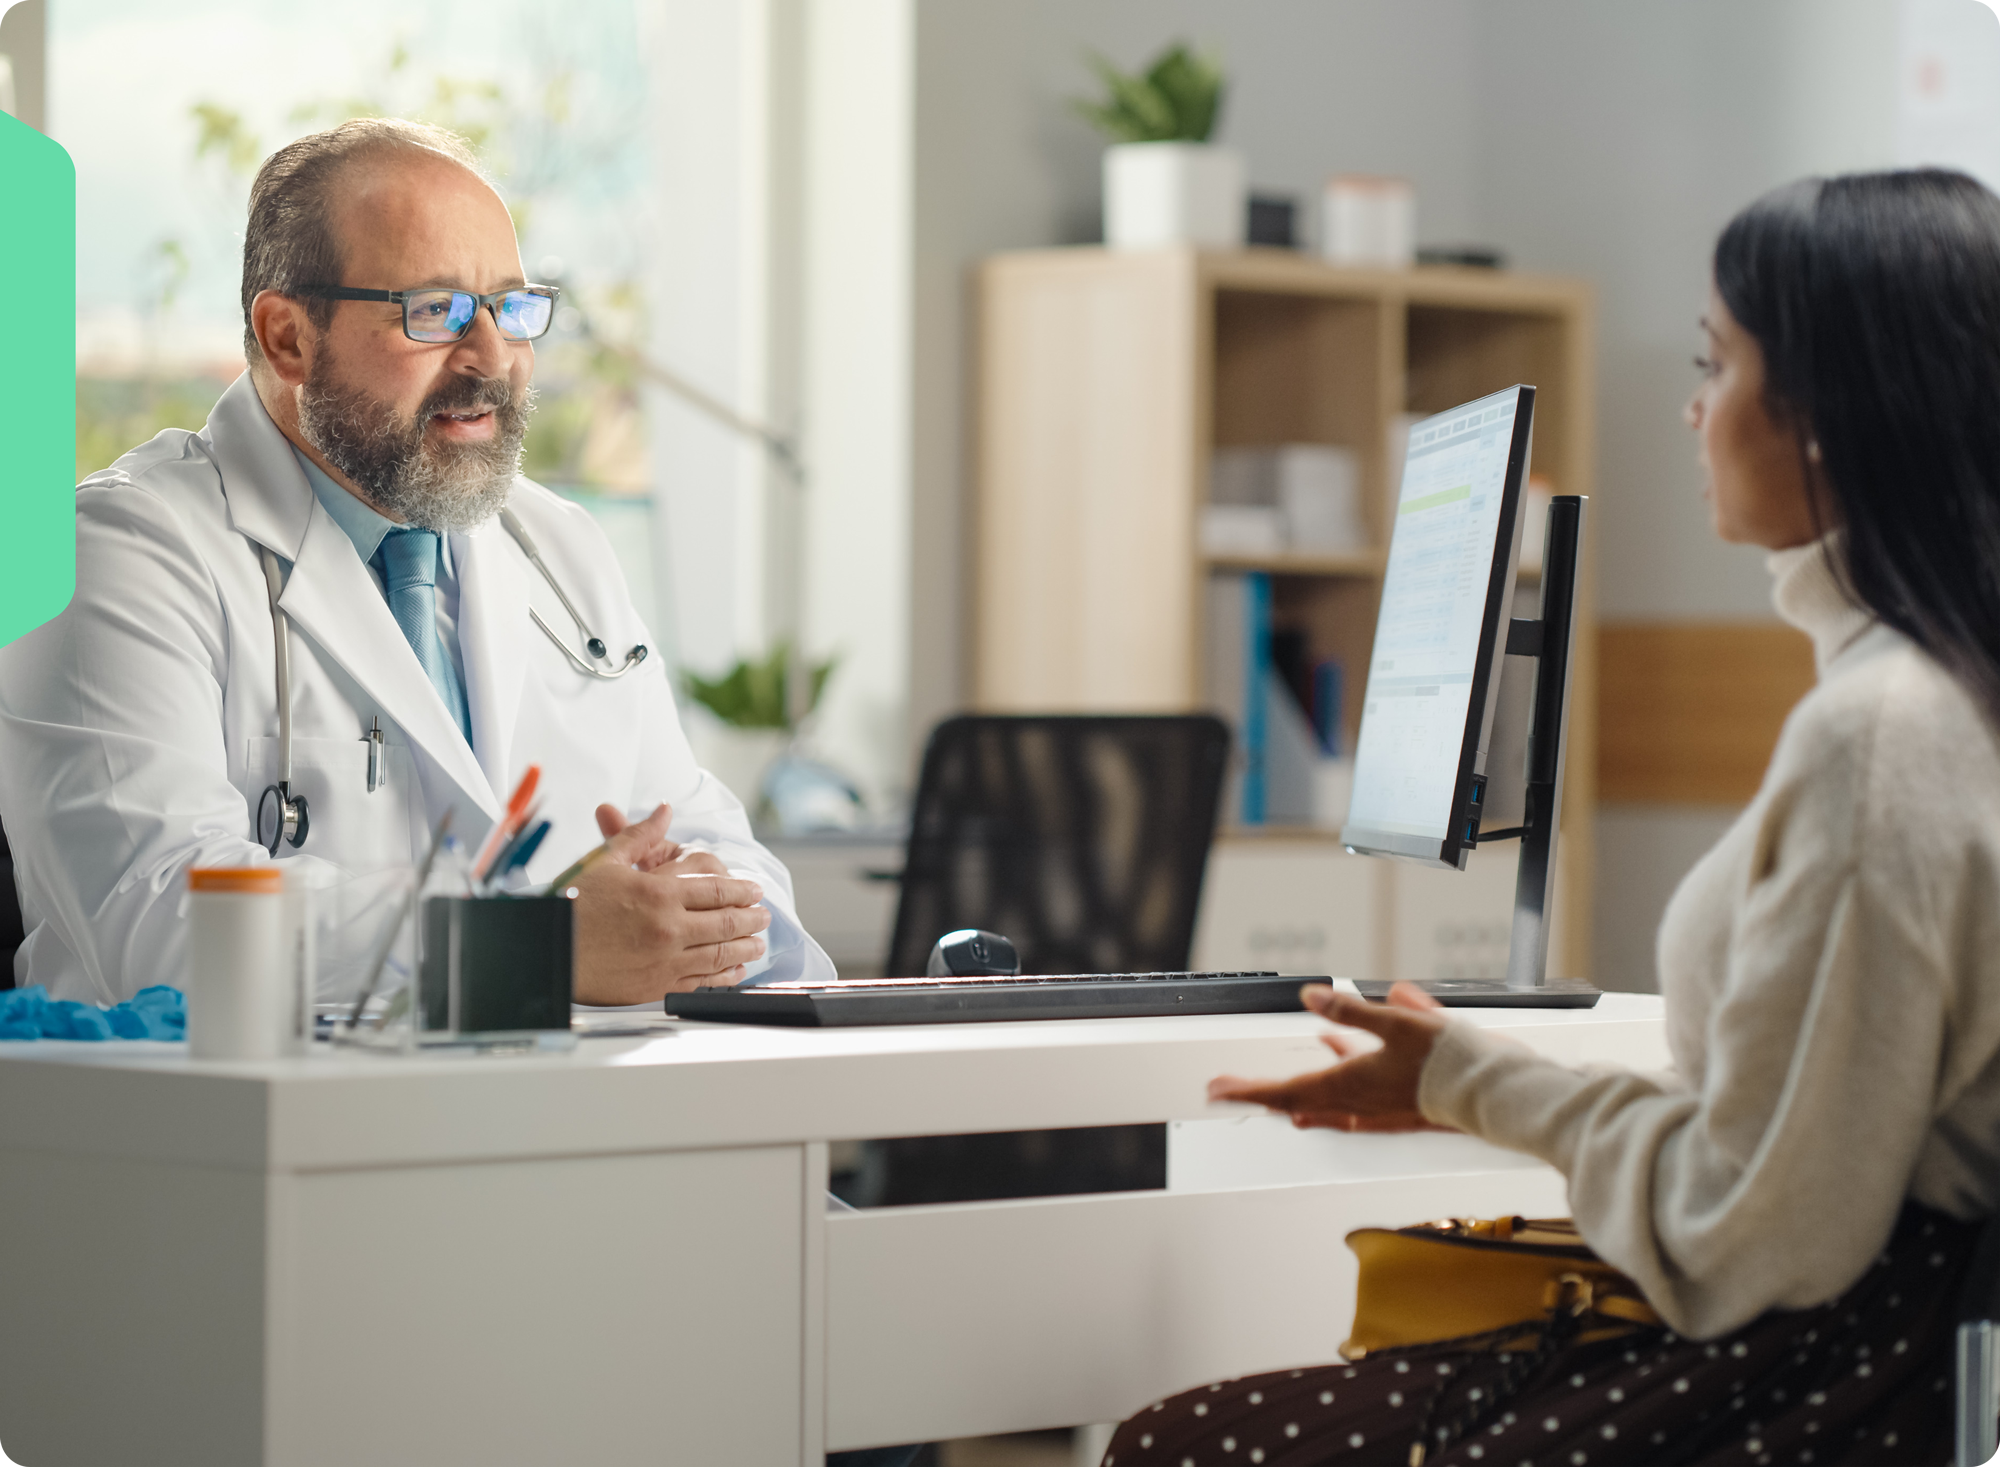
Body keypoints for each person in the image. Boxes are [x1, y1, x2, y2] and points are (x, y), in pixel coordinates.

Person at [1106, 168, 2000, 1467]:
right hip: (1897, 1358)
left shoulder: (1881, 736)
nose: (1693, 409)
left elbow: (1750, 1228)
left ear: (1829, 415)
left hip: (1829, 1381)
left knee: (1176, 1442)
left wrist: (1479, 1080)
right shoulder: (1945, 694)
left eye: (1719, 363)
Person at [0, 118, 835, 1005]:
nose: (490, 358)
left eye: (511, 308)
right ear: (287, 337)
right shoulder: (115, 555)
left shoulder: (559, 550)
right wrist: (536, 948)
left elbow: (713, 844)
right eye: (434, 311)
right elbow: (155, 915)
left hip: (559, 1118)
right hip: (232, 1135)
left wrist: (685, 922)